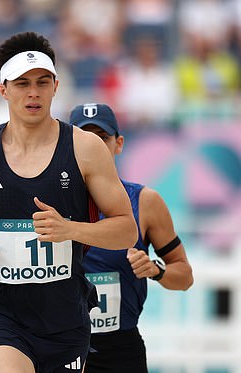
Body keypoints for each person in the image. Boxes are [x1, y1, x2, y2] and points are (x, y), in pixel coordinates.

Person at [0, 31, 138, 373]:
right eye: (22, 83)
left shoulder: (85, 148)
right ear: (3, 90)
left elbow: (126, 229)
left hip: (64, 314)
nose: (33, 92)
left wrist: (70, 229)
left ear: (56, 86)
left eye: (42, 82)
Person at [69, 102, 194, 373]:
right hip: (61, 345)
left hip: (119, 350)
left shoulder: (145, 202)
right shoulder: (49, 202)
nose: (94, 146)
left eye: (102, 138)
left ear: (119, 143)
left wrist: (155, 269)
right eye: (84, 138)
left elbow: (184, 276)